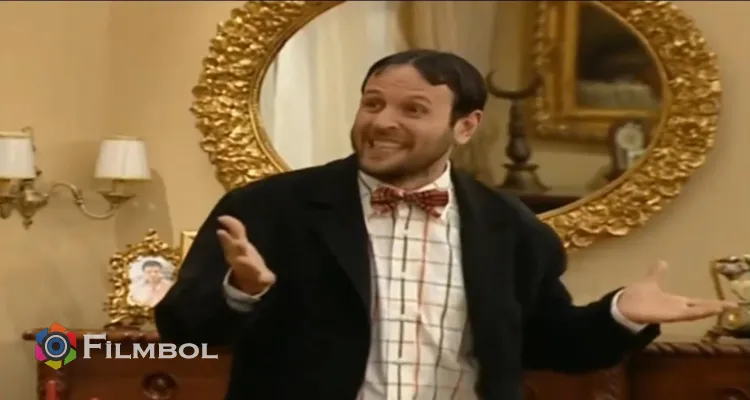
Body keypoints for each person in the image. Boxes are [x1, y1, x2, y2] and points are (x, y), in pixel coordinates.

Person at [155, 49, 735, 400]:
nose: (382, 122)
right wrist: (241, 292)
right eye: (373, 103)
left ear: (466, 126)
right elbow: (181, 329)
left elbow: (549, 343)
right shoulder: (268, 208)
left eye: (412, 110)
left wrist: (622, 313)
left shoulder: (512, 229)